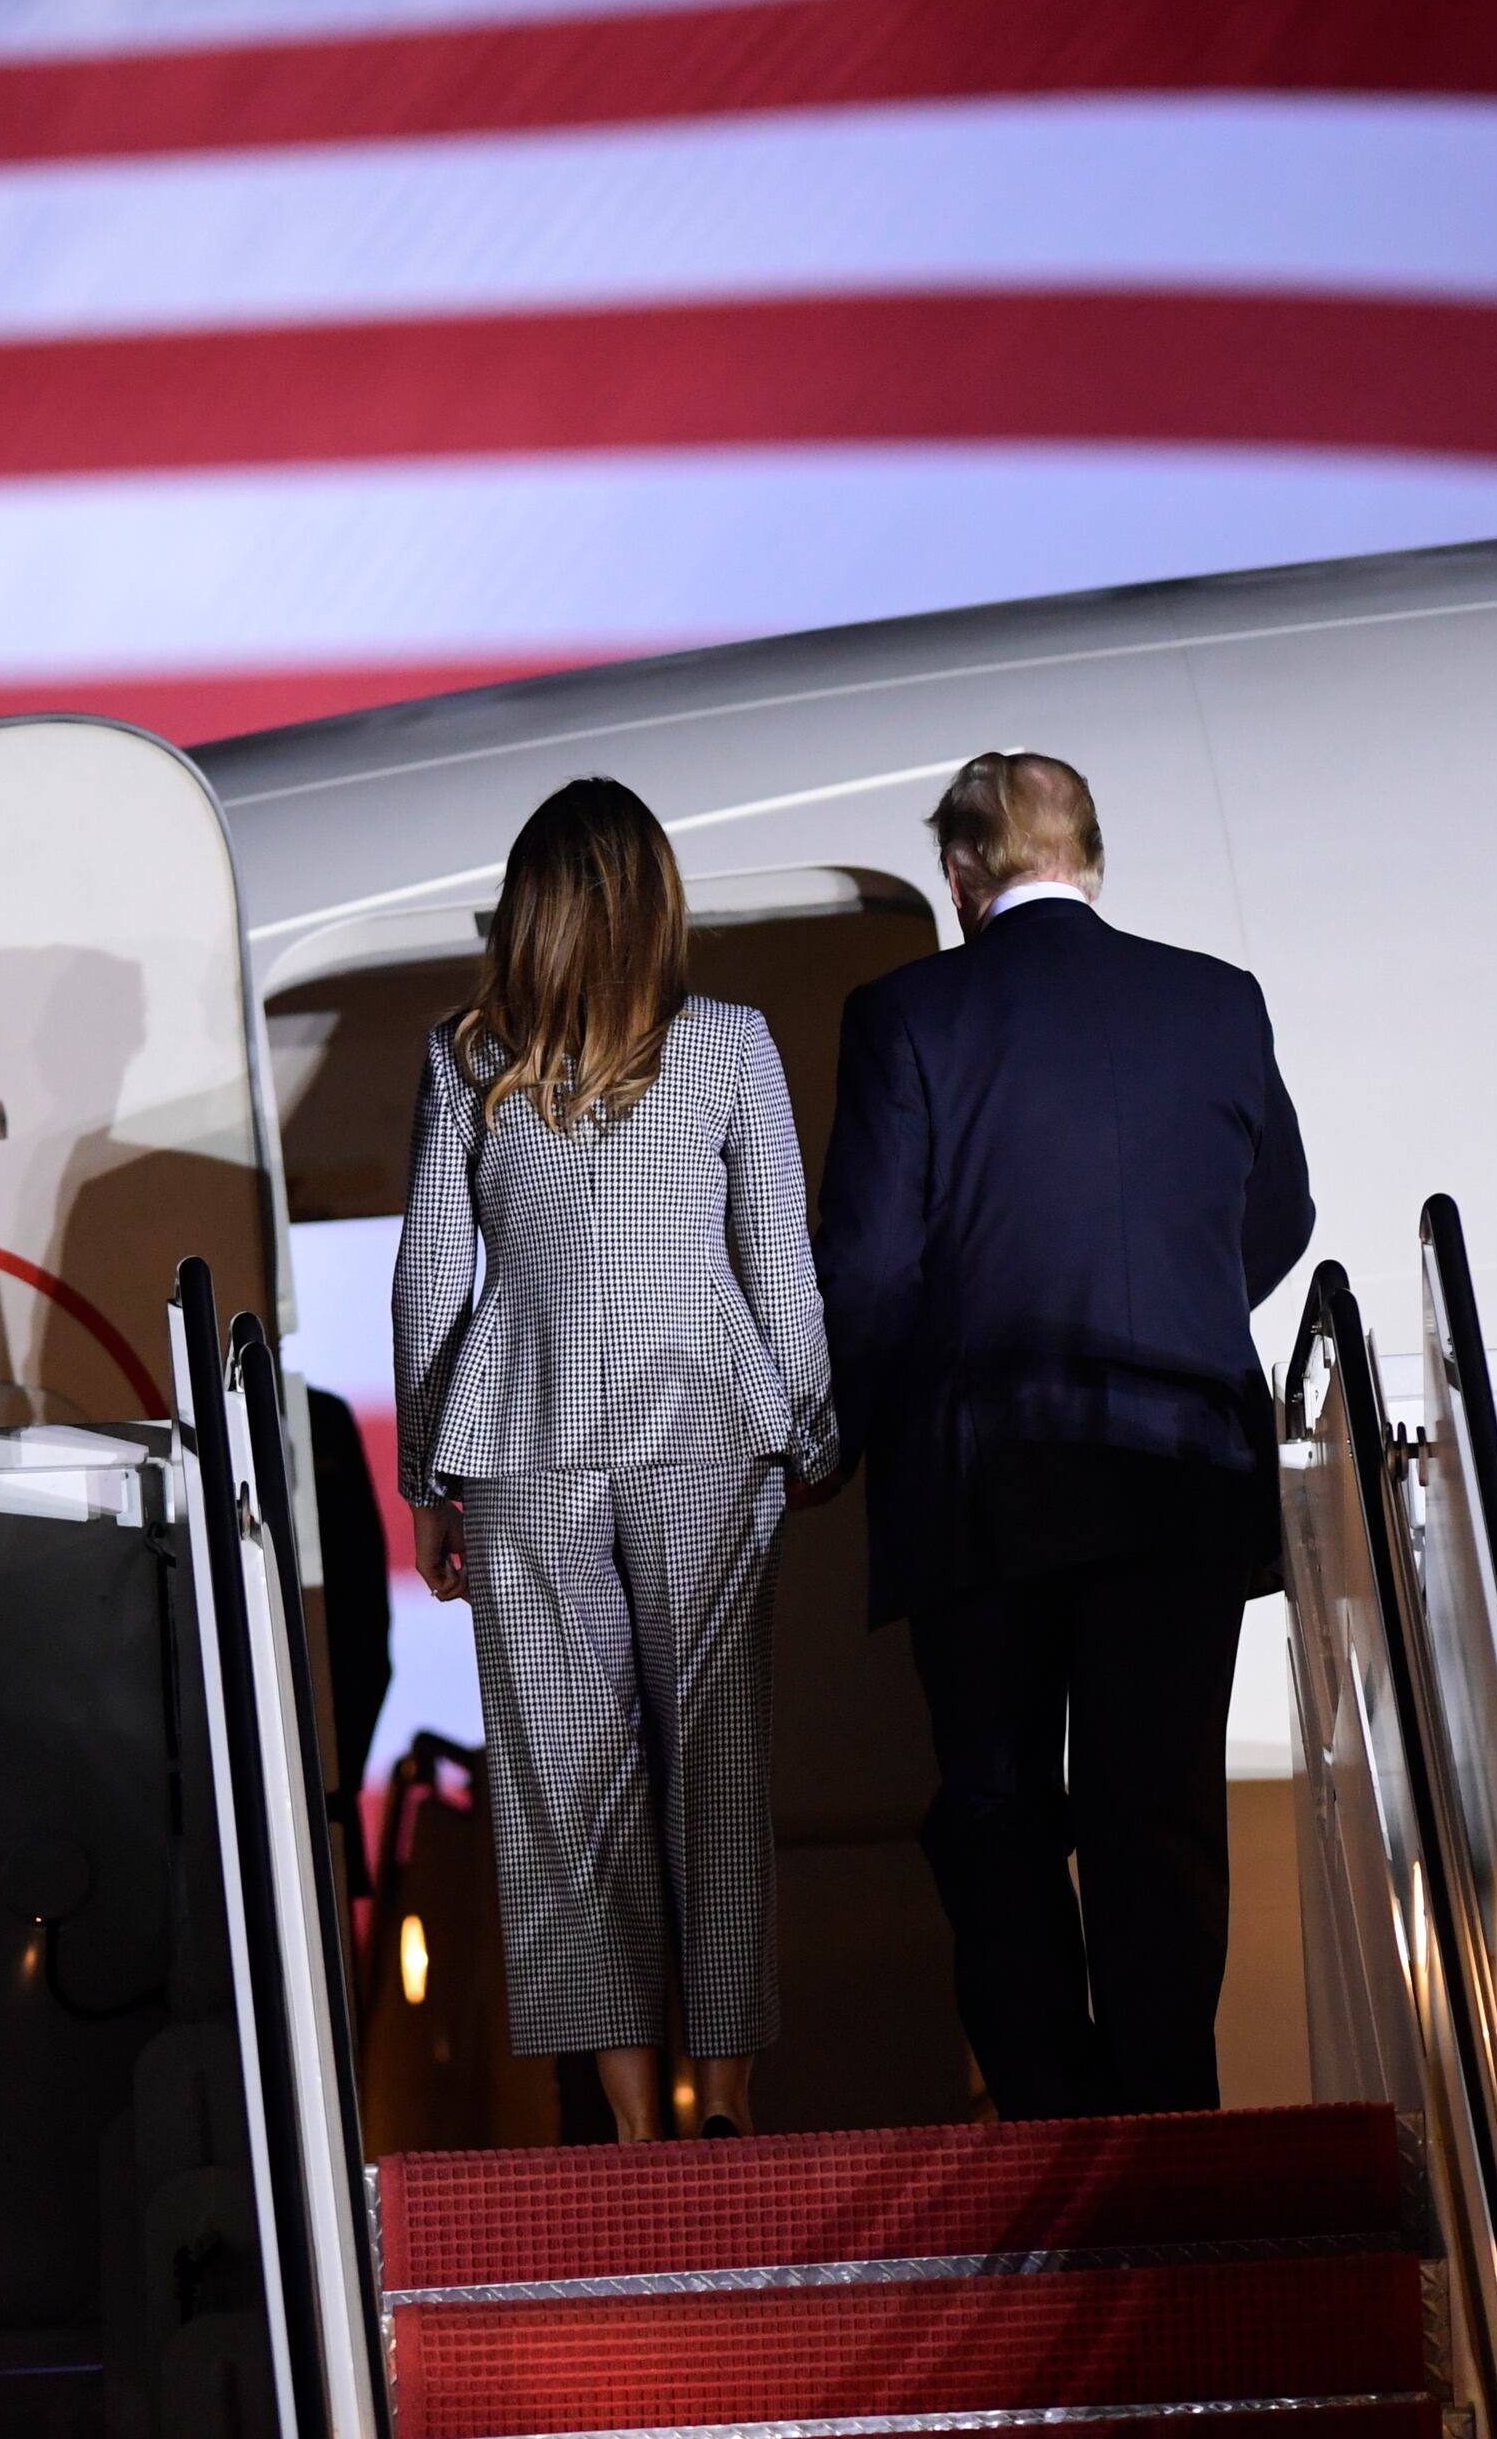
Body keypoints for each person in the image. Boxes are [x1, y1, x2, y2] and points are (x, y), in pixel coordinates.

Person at [815, 750, 1313, 2120]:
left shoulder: (905, 1017)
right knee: (1156, 1809)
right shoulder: (1218, 1006)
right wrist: (1178, 1323)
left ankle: (1052, 2113)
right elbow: (1279, 1222)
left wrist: (837, 1436)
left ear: (961, 877)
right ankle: (1169, 2111)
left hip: (984, 1486)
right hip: (1178, 1476)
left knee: (999, 1808)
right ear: (1089, 857)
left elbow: (865, 1270)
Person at [391, 778, 837, 2141]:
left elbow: (427, 1280)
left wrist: (428, 1481)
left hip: (523, 1446)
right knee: (717, 1767)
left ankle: (635, 2125)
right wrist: (809, 1434)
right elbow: (782, 1269)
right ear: (657, 902)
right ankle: (729, 2105)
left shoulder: (468, 1057)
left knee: (562, 1788)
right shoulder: (732, 1047)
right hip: (704, 1438)